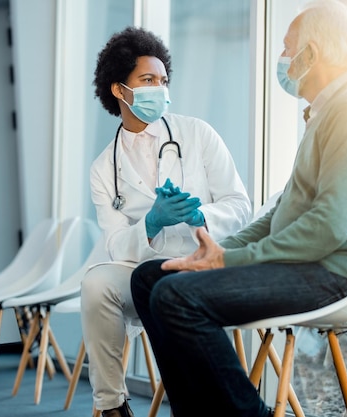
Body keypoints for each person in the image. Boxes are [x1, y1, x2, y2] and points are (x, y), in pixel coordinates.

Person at [130, 1, 347, 416]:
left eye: (287, 48)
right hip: (310, 264)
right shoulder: (325, 113)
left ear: (313, 54)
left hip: (336, 272)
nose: (283, 59)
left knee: (178, 298)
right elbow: (281, 212)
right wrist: (217, 251)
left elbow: (329, 227)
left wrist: (231, 259)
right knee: (149, 278)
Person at [80, 26, 252, 417]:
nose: (160, 88)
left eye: (163, 79)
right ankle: (112, 406)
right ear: (119, 89)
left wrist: (200, 215)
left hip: (201, 265)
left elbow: (241, 205)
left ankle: (196, 403)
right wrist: (151, 224)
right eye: (148, 80)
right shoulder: (102, 169)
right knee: (95, 284)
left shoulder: (197, 134)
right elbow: (116, 245)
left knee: (167, 289)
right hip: (144, 272)